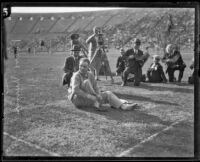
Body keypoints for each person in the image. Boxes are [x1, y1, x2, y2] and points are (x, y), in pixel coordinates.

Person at [68, 58, 139, 111]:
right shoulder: (76, 75)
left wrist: (98, 94)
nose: (82, 68)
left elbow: (95, 87)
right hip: (79, 99)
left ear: (88, 67)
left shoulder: (90, 74)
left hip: (90, 98)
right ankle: (97, 102)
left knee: (108, 93)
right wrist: (90, 96)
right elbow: (75, 90)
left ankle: (123, 106)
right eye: (81, 66)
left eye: (84, 66)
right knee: (86, 82)